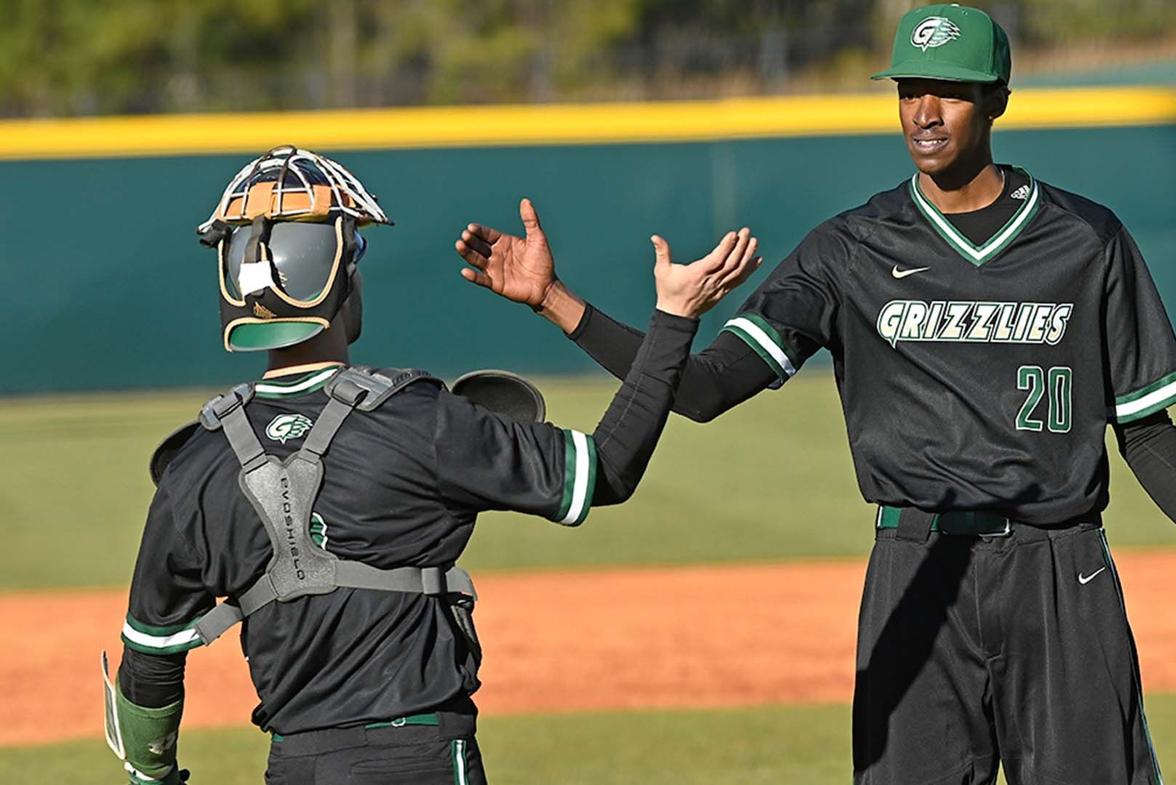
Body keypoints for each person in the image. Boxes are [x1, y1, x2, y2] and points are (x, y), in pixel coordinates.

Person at [452, 6, 1176, 784]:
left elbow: (1146, 428)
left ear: (997, 101)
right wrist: (556, 301)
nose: (925, 111)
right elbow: (700, 389)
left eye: (948, 90)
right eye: (910, 90)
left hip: (1061, 571)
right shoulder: (848, 250)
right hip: (915, 572)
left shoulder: (1086, 239)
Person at [104, 145, 759, 785]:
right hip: (416, 757)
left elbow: (150, 662)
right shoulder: (418, 419)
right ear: (342, 282)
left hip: (294, 764)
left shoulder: (194, 465)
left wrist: (152, 772)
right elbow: (603, 470)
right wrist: (674, 319)